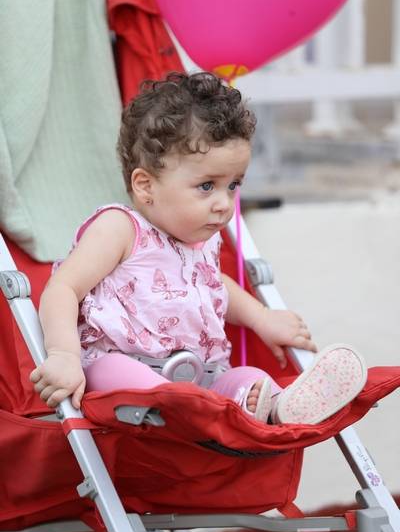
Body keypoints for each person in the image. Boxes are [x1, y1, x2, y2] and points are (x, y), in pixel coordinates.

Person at [30, 72, 367, 424]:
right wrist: (64, 355)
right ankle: (188, 406)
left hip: (201, 377)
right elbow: (64, 288)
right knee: (114, 371)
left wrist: (262, 318)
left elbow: (216, 286)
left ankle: (276, 408)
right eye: (207, 186)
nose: (224, 204)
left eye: (233, 185)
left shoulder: (203, 239)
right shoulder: (120, 229)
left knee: (248, 378)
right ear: (145, 185)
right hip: (124, 368)